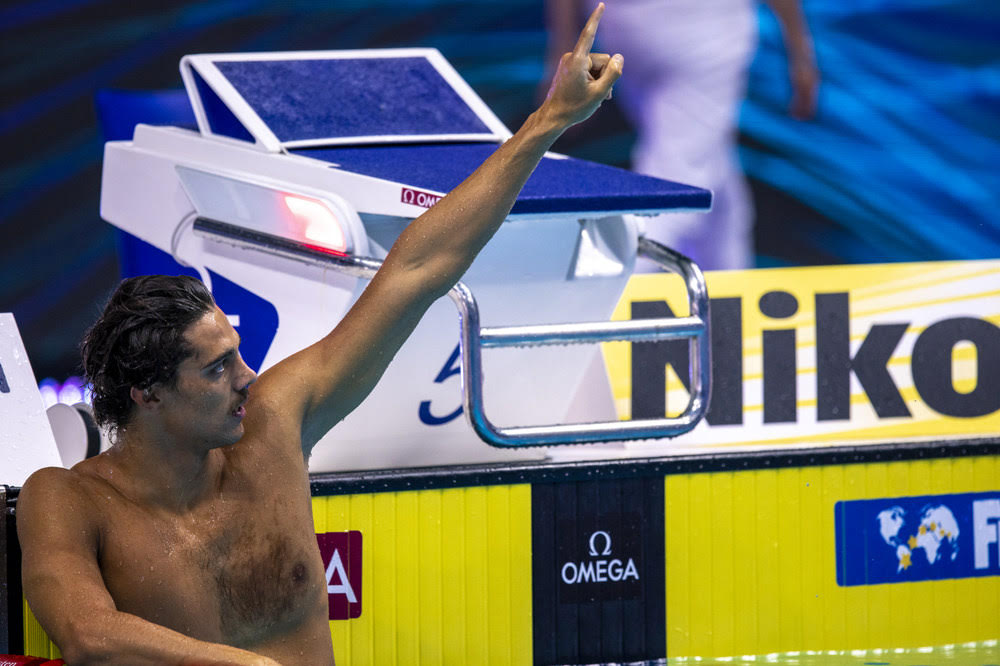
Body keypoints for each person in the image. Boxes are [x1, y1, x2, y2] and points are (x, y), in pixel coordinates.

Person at [15, 6, 622, 665]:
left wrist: (547, 122)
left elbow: (416, 270)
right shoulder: (68, 499)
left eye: (238, 358)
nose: (248, 378)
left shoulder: (273, 431)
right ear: (146, 394)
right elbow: (87, 635)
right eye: (217, 369)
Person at [546, 0, 819, 271]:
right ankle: (612, 291)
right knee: (675, 183)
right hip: (702, 24)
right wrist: (801, 51)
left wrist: (563, 53)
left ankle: (727, 289)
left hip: (624, 28)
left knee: (708, 167)